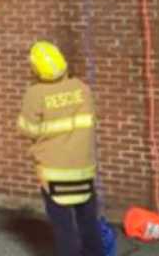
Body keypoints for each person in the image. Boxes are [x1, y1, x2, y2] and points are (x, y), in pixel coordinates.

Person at [17, 41, 104, 256]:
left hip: (54, 175)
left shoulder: (35, 94)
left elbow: (27, 130)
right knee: (89, 224)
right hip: (84, 170)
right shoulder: (82, 89)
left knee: (64, 229)